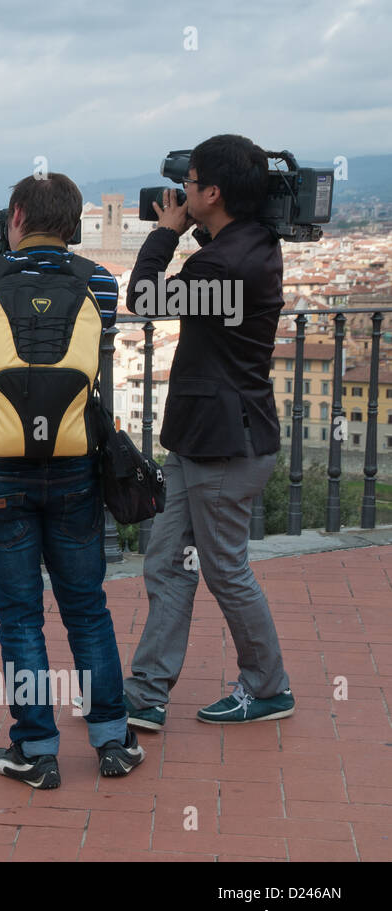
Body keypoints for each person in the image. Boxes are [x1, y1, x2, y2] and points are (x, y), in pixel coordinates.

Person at [0, 172, 143, 787]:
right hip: (76, 460)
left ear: (18, 215)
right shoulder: (100, 281)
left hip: (0, 467)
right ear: (76, 221)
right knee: (87, 608)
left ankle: (36, 748)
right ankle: (112, 739)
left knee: (20, 618)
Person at [123, 133, 293, 728]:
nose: (182, 191)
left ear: (214, 191)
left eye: (191, 183)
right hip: (204, 438)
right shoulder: (252, 243)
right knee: (168, 562)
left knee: (224, 569)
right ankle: (146, 695)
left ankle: (268, 686)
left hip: (225, 443)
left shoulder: (224, 262)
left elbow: (143, 298)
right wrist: (192, 222)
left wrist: (165, 232)